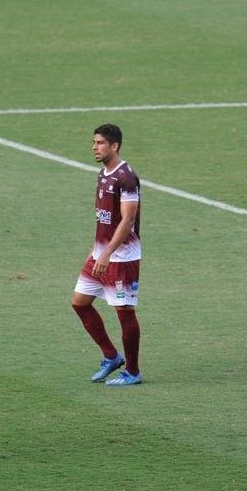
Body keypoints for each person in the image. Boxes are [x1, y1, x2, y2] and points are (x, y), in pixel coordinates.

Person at [71, 124, 143, 386]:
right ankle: (111, 356)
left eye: (100, 143)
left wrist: (107, 253)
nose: (94, 147)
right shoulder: (103, 174)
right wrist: (98, 251)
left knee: (124, 311)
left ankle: (133, 371)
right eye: (94, 142)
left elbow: (127, 219)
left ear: (115, 146)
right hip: (100, 253)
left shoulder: (126, 177)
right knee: (79, 302)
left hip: (122, 257)